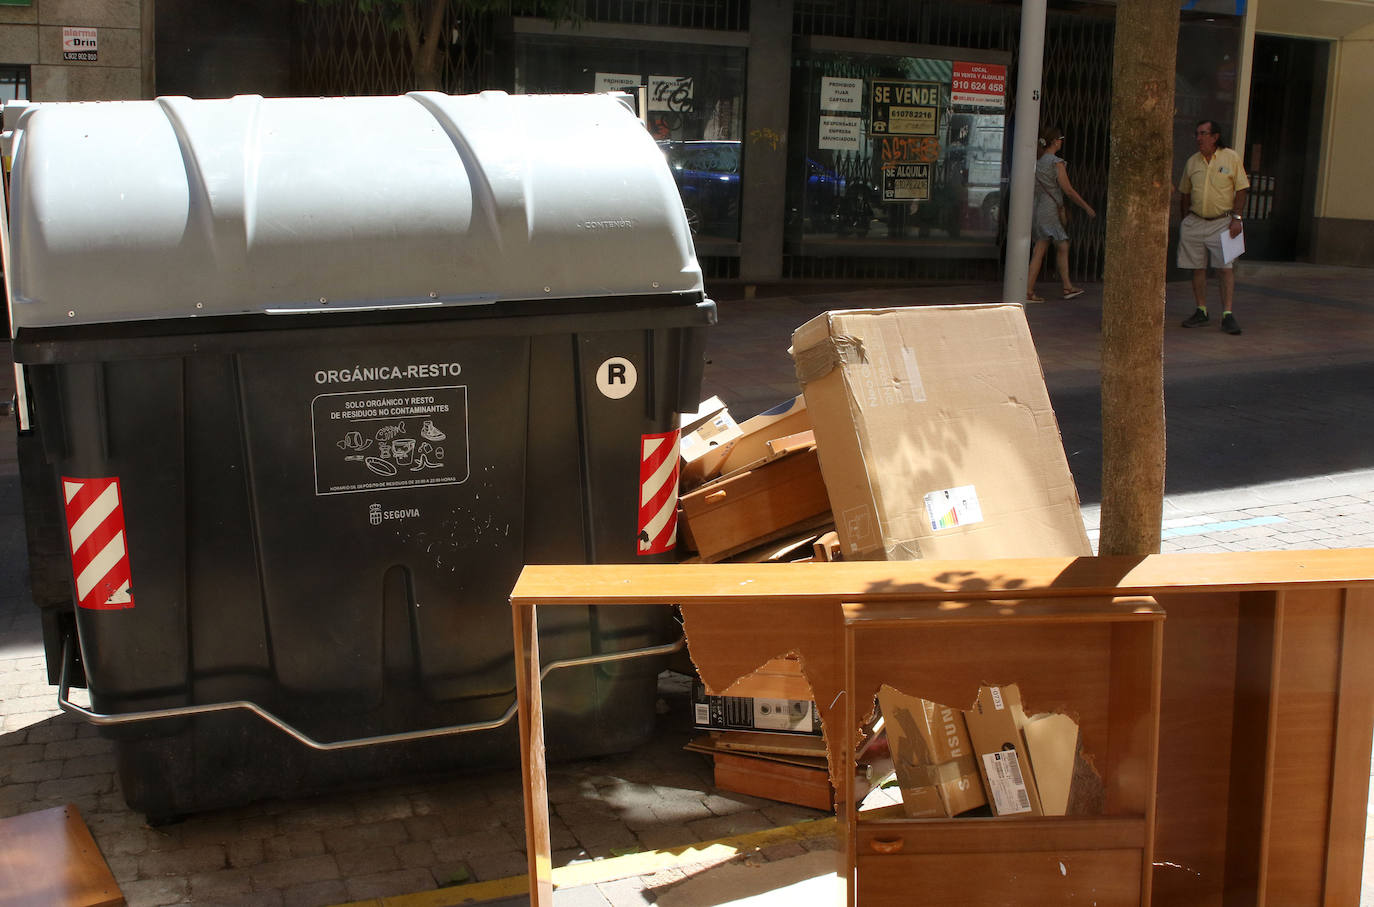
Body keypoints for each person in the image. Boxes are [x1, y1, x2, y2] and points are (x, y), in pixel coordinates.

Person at [1177, 119, 1249, 335]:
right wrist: (1185, 220)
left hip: (1223, 222)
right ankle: (1202, 310)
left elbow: (1241, 189)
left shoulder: (1231, 157)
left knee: (1225, 268)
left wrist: (1237, 218)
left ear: (1215, 136)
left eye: (1203, 133)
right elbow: (1185, 193)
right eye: (1197, 134)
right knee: (1197, 267)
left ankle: (1227, 314)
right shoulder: (1192, 162)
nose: (1198, 138)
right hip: (1196, 221)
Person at [1027, 125, 1096, 301]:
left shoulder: (1037, 162)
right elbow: (1068, 190)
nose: (1061, 142)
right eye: (1061, 140)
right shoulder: (1056, 163)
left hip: (1040, 207)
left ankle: (1065, 287)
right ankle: (1030, 290)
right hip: (1050, 209)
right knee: (1045, 248)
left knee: (1057, 246)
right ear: (1055, 142)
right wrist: (1086, 207)